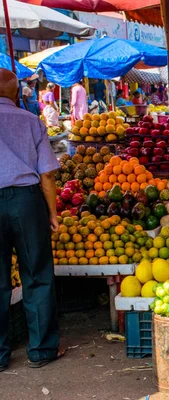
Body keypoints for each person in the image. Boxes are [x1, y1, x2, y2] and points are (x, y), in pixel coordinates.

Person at [0, 68, 62, 371]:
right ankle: (41, 351)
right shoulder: (31, 121)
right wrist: (52, 213)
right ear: (15, 93)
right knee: (36, 275)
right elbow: (47, 174)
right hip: (26, 202)